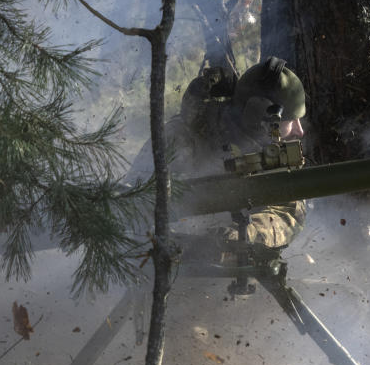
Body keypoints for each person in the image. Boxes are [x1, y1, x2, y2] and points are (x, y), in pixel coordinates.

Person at [126, 57, 307, 249]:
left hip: (232, 262)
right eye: (291, 120)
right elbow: (130, 202)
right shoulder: (179, 137)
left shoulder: (275, 150)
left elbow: (288, 213)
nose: (300, 131)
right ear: (261, 117)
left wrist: (245, 234)